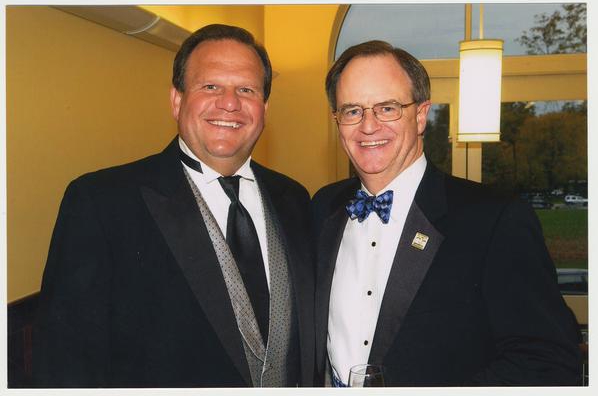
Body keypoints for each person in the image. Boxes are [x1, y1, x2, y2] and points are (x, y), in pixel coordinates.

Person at [33, 24, 314, 387]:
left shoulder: (295, 198)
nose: (230, 102)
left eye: (246, 89)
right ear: (177, 100)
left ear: (264, 107)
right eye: (210, 86)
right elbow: (63, 365)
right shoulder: (101, 203)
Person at [312, 40, 581, 386]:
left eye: (387, 108)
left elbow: (549, 361)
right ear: (337, 120)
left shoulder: (495, 220)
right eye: (352, 110)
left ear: (421, 115)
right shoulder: (323, 209)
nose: (368, 126)